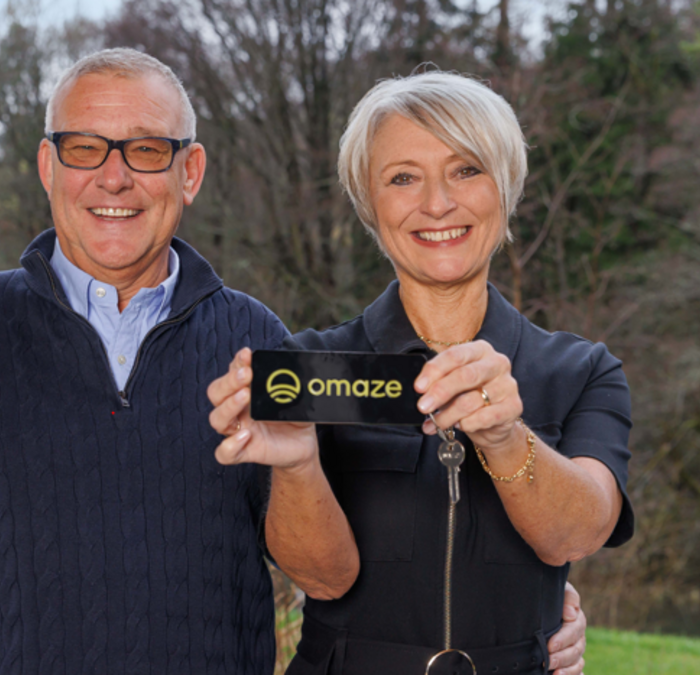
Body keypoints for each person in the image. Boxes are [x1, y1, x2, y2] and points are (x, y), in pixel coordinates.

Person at [0, 49, 589, 674]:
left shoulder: (258, 345)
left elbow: (334, 574)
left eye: (148, 150)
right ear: (48, 166)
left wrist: (525, 613)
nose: (114, 176)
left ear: (189, 173)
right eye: (85, 148)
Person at [208, 71, 632, 675]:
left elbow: (577, 534)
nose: (437, 203)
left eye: (466, 170)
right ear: (369, 204)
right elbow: (321, 579)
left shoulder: (583, 369)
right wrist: (297, 463)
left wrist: (506, 438)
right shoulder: (309, 368)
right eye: (403, 178)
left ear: (506, 187)